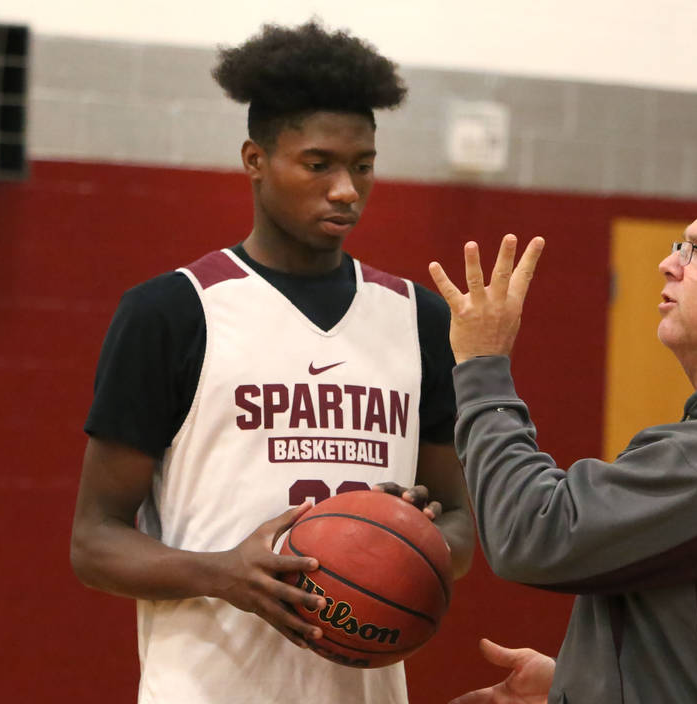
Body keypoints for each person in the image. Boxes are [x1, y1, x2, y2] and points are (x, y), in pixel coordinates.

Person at [69, 21, 474, 704]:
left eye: (364, 165)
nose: (347, 189)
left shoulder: (418, 318)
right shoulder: (174, 311)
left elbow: (461, 525)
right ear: (255, 159)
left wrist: (417, 540)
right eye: (319, 164)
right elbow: (95, 543)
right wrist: (223, 573)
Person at [430, 173, 697, 704]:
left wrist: (481, 365)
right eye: (680, 245)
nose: (671, 263)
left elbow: (530, 531)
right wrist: (579, 684)